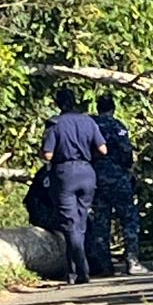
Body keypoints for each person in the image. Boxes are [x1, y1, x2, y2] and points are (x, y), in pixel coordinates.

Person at [41, 87, 107, 285]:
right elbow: (103, 149)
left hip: (65, 175)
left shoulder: (55, 124)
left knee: (70, 225)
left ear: (58, 103)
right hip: (87, 173)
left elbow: (48, 155)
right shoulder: (89, 121)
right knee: (80, 223)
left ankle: (82, 270)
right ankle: (72, 272)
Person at [86, 93, 147, 277]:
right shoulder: (117, 126)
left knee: (101, 221)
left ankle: (104, 265)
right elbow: (126, 151)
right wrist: (127, 167)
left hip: (96, 178)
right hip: (117, 177)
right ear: (113, 109)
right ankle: (132, 261)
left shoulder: (91, 125)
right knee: (128, 218)